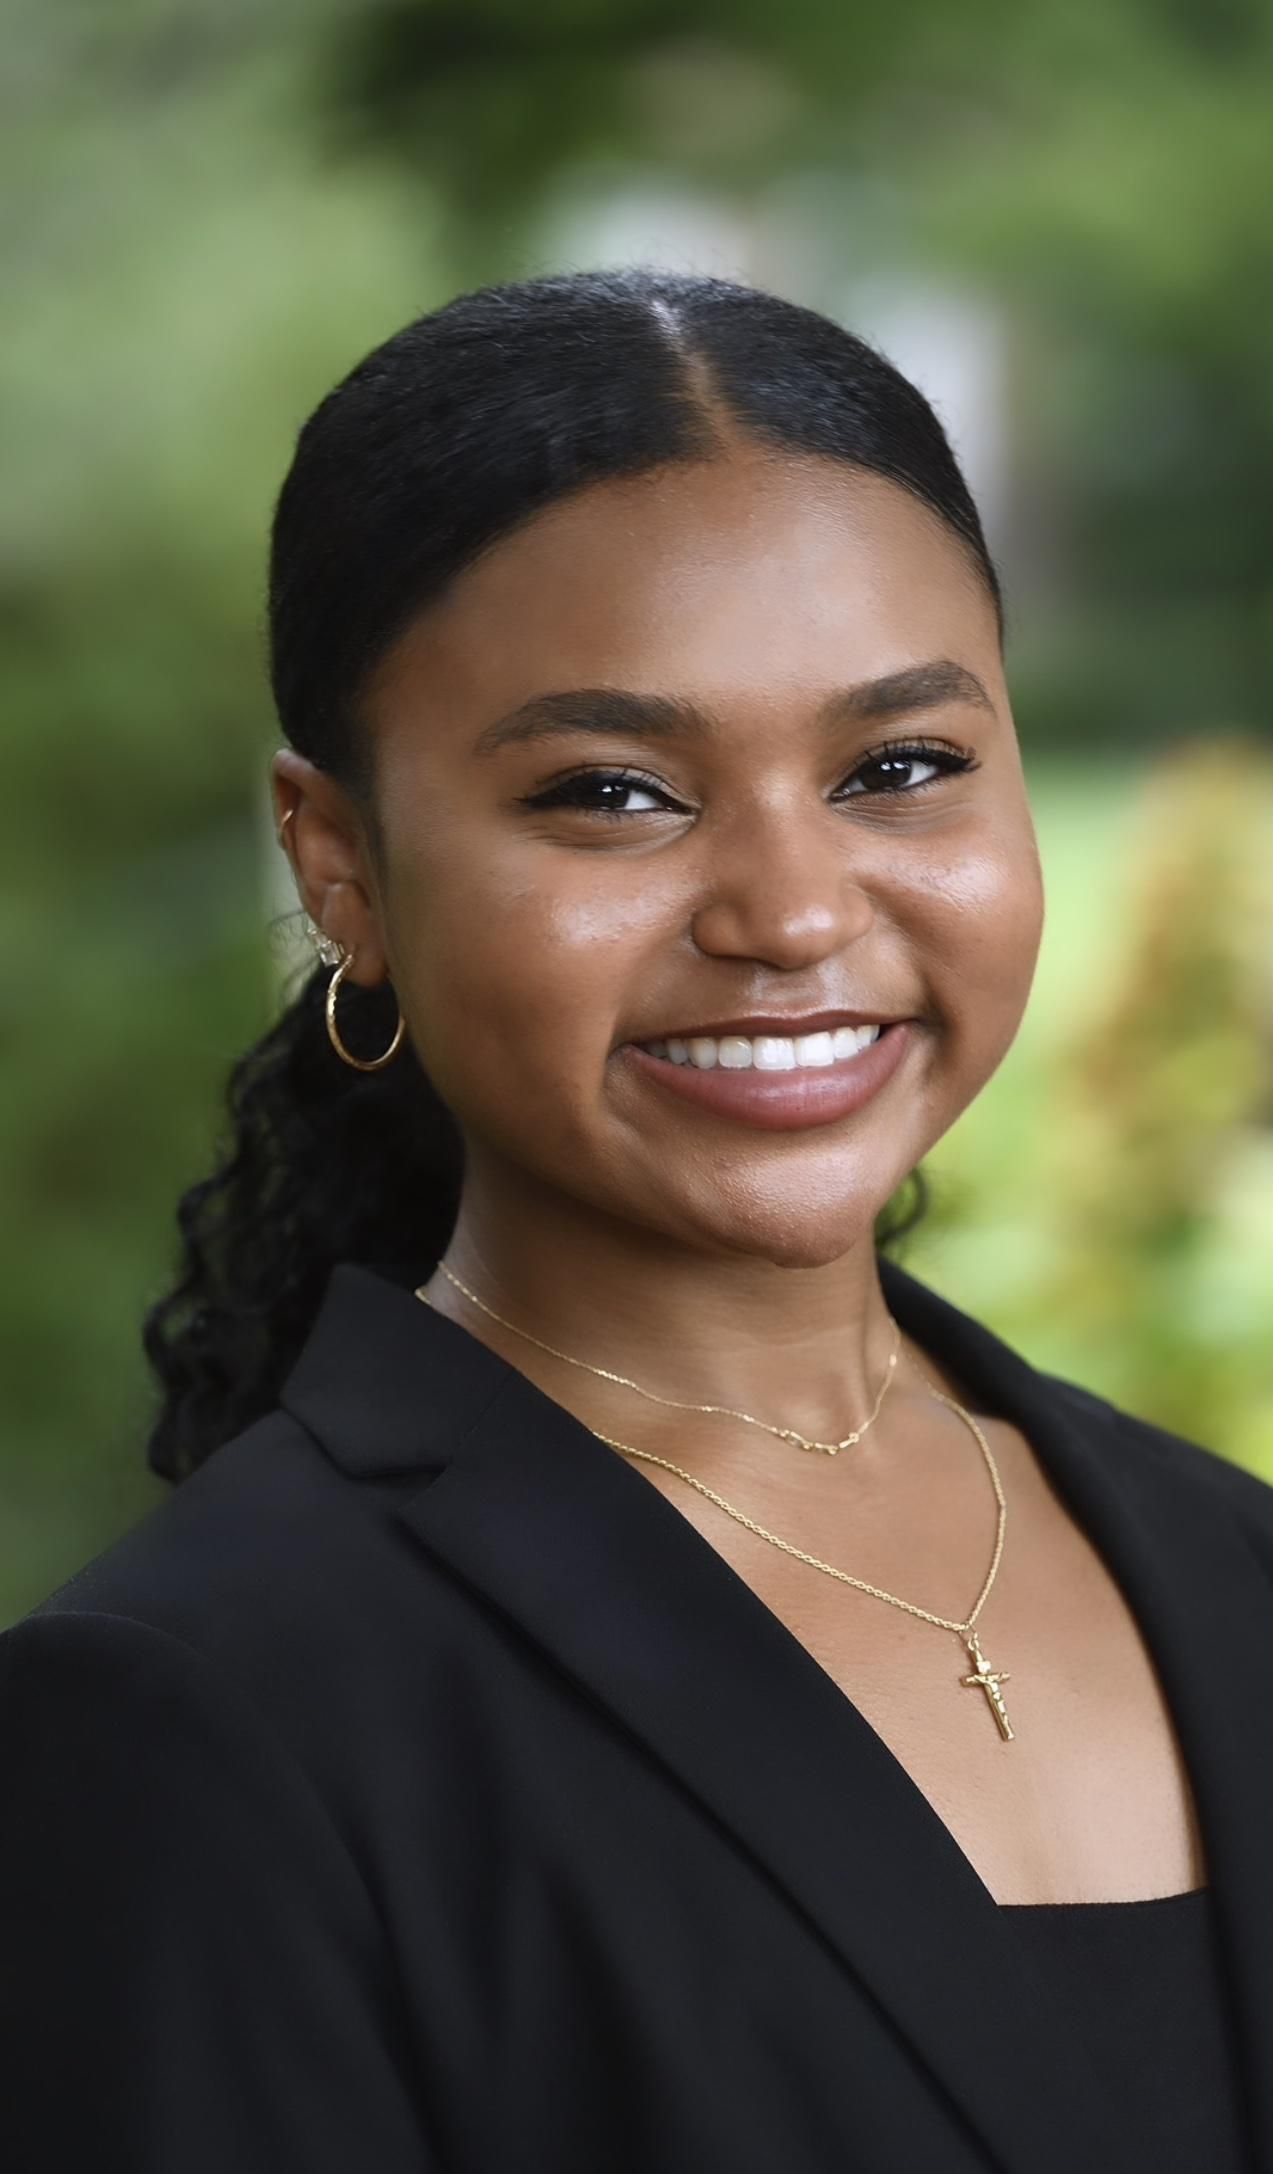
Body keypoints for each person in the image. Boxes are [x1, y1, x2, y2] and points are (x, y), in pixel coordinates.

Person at [2, 268, 1269, 2174]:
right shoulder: (204, 1716)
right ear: (339, 866)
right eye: (613, 793)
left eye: (898, 768)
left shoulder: (1232, 1565)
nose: (791, 910)